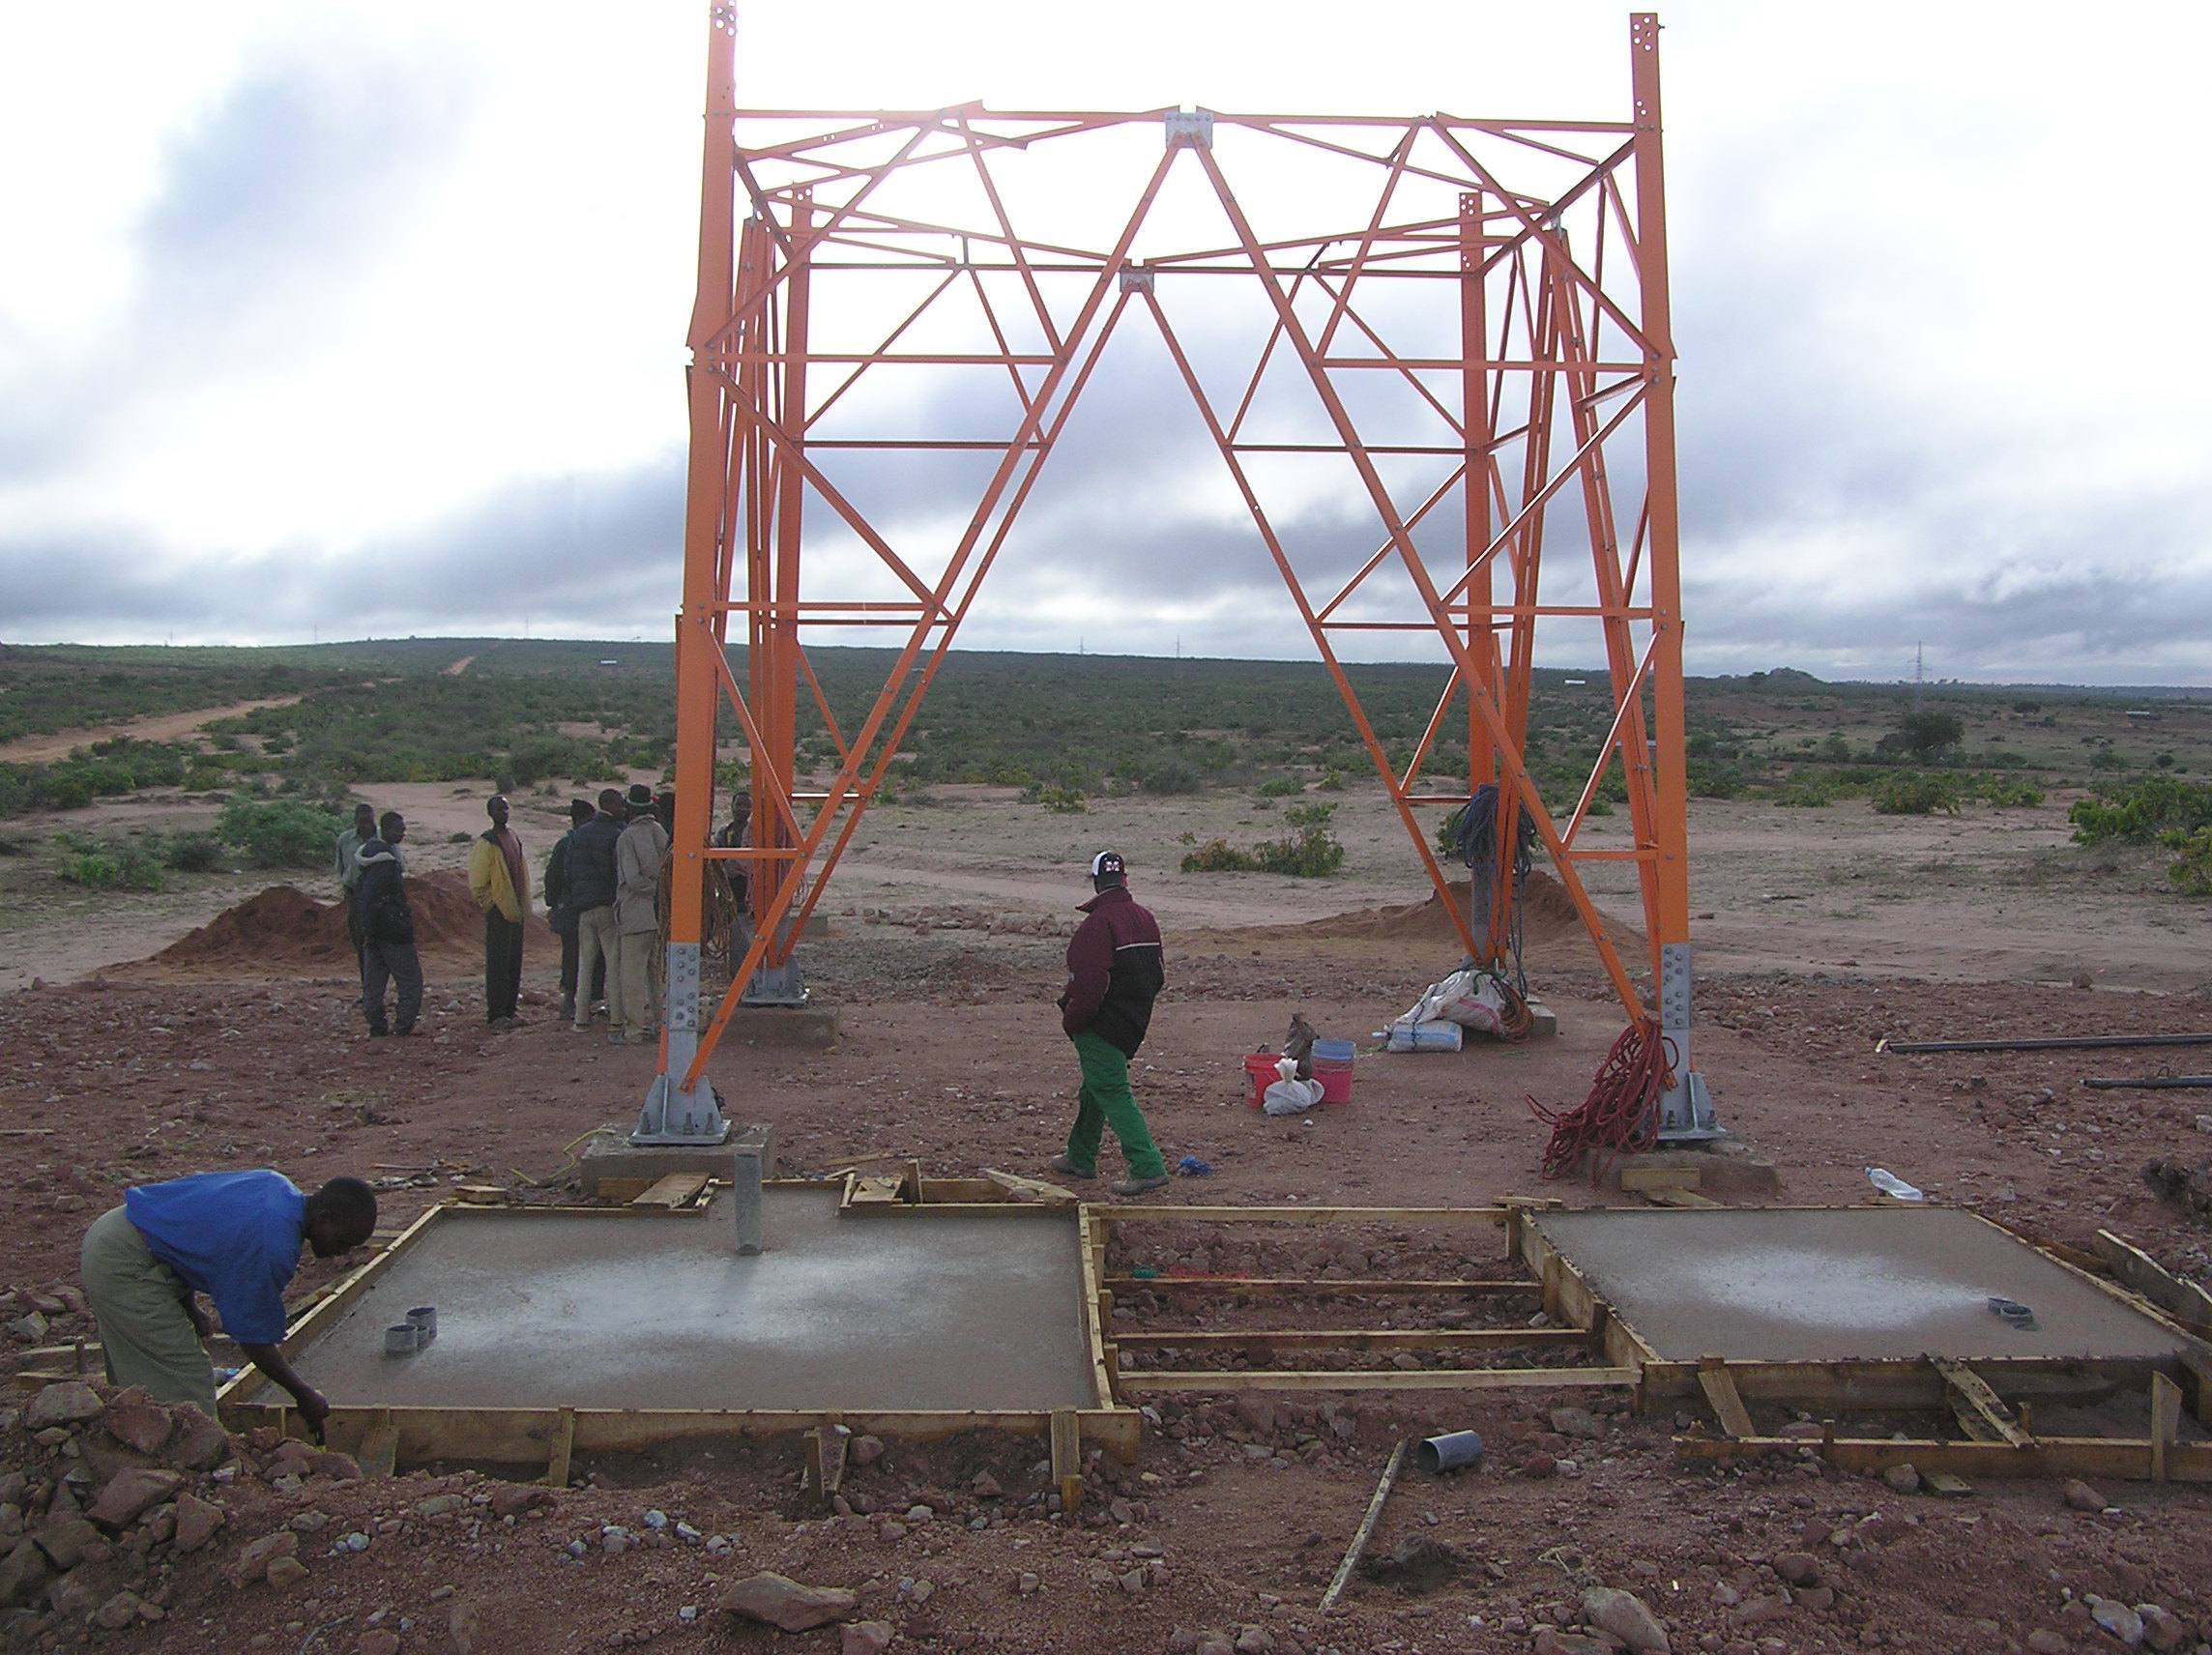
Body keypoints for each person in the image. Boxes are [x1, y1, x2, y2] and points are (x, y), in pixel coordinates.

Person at [79, 1170, 378, 1430]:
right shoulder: (272, 1246)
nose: (342, 1253)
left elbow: (195, 1232)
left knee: (144, 1369)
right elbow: (253, 1339)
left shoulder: (275, 1186)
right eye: (341, 1242)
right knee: (187, 1377)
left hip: (120, 1229)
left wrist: (190, 1307)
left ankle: (133, 1434)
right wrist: (302, 1393)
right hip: (122, 1264)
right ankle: (187, 1473)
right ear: (324, 1218)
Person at [1050, 851, 1171, 1195]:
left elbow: (1090, 987)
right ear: (1126, 880)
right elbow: (1158, 975)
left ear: (1095, 883)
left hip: (1100, 1025)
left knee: (1112, 1091)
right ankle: (1080, 1155)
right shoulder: (1145, 919)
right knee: (1096, 1086)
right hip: (1133, 1022)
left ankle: (1147, 1165)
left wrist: (1072, 1021)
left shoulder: (1096, 926)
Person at [354, 811, 422, 1038]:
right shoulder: (387, 862)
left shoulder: (366, 855)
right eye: (398, 830)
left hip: (373, 931)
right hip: (393, 930)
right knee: (410, 980)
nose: (402, 834)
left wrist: (368, 930)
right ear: (385, 829)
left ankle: (377, 1025)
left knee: (373, 983)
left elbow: (364, 897)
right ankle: (402, 1026)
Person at [467, 794, 532, 1030]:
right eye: (498, 810)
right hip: (499, 912)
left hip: (515, 910)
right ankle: (496, 1015)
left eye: (505, 809)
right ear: (490, 813)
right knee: (497, 964)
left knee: (513, 963)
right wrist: (492, 905)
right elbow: (478, 882)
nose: (503, 813)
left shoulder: (513, 837)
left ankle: (510, 1011)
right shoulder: (487, 842)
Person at [613, 782, 670, 1045]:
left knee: (632, 975)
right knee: (656, 974)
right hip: (660, 914)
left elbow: (632, 878)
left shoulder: (627, 837)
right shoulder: (659, 832)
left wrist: (649, 890)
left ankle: (634, 1029)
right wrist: (660, 892)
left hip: (636, 912)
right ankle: (661, 1024)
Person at [568, 789, 626, 1035]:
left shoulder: (579, 834)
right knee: (613, 963)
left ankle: (581, 1018)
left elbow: (568, 869)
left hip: (584, 907)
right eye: (620, 803)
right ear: (611, 805)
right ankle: (615, 1018)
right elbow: (615, 870)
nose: (623, 808)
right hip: (606, 904)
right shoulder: (616, 834)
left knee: (585, 964)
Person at [545, 798, 607, 1022]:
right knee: (590, 955)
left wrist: (552, 902)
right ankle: (584, 1001)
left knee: (572, 956)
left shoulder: (565, 844)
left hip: (569, 907)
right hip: (581, 907)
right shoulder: (583, 841)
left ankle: (572, 1002)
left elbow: (552, 877)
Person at [335, 802, 375, 990]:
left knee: (377, 943)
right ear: (355, 822)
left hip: (376, 896)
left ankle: (376, 987)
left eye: (369, 821)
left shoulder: (383, 838)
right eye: (362, 822)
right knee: (360, 943)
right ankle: (366, 986)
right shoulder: (345, 839)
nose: (367, 826)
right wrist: (348, 895)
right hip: (354, 896)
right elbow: (341, 868)